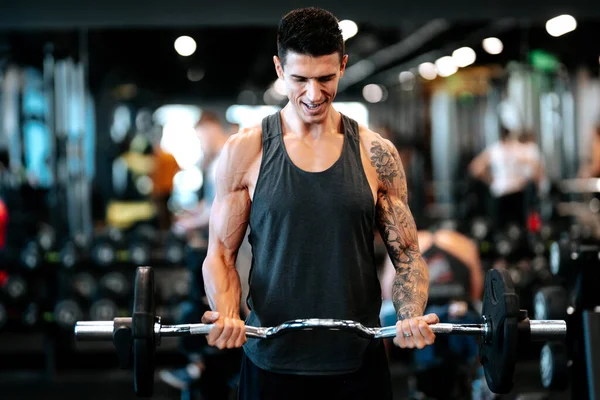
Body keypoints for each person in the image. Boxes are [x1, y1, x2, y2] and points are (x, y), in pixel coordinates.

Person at [200, 7, 438, 399]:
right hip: (270, 361)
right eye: (300, 79)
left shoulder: (376, 153)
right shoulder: (246, 151)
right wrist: (227, 314)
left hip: (357, 362)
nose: (313, 94)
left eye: (326, 78)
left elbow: (409, 254)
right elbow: (221, 254)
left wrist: (410, 315)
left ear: (343, 65)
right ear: (279, 69)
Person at [160, 111, 249, 397]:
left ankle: (233, 373)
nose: (201, 144)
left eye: (201, 137)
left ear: (211, 129)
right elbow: (213, 205)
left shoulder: (227, 158)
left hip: (240, 251)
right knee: (217, 310)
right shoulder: (217, 162)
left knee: (238, 313)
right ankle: (208, 368)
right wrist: (192, 215)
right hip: (228, 249)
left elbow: (220, 211)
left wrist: (190, 221)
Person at [381, 227, 487, 399]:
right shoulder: (464, 243)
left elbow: (388, 291)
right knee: (487, 318)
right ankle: (483, 378)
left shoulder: (401, 240)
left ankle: (381, 384)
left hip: (416, 313)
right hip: (457, 309)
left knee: (380, 318)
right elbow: (476, 290)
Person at [468, 121, 545, 231]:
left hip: (501, 191)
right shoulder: (519, 149)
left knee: (499, 228)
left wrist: (491, 180)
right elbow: (538, 169)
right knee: (520, 227)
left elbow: (475, 168)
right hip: (517, 192)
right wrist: (529, 180)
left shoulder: (495, 149)